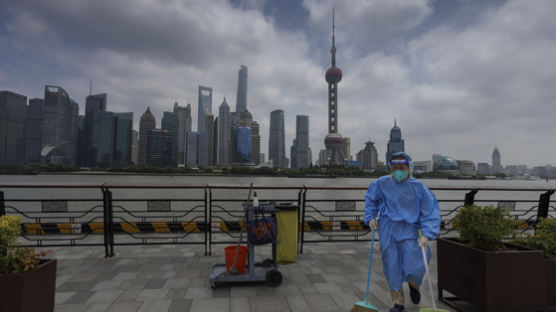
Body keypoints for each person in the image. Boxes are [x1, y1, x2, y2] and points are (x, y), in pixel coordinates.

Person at [364, 152, 440, 312]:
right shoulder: (381, 183)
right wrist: (370, 217)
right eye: (395, 167)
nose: (398, 170)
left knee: (417, 263)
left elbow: (430, 211)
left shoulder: (419, 188)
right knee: (391, 265)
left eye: (402, 167)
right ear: (391, 168)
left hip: (413, 230)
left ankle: (414, 284)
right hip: (388, 229)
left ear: (409, 168)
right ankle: (398, 303)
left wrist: (427, 234)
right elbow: (371, 199)